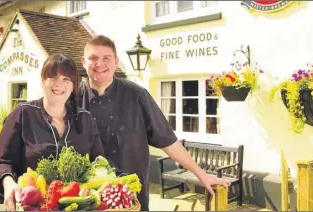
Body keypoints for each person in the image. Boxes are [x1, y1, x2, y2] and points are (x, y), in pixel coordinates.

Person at [78, 35, 230, 211]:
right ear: (83, 61)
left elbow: (168, 140)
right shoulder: (72, 98)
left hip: (133, 195)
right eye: (93, 58)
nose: (100, 64)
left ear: (116, 62)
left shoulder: (136, 95)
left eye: (106, 58)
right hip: (87, 198)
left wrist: (201, 175)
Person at [0, 54, 104, 211]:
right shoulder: (23, 114)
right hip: (33, 206)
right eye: (53, 77)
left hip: (78, 206)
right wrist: (8, 182)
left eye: (66, 79)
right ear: (42, 80)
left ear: (73, 86)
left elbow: (99, 161)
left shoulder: (85, 118)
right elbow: (3, 161)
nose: (59, 84)